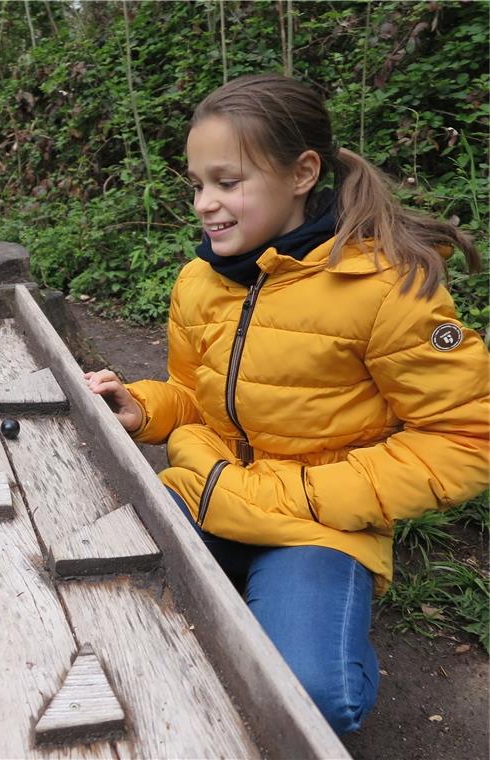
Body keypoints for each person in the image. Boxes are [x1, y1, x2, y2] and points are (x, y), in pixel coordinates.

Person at [85, 74, 488, 735]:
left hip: (317, 523)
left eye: (227, 181)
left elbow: (469, 437)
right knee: (103, 603)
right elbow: (195, 395)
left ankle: (313, 614)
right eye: (196, 185)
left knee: (308, 701)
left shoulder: (387, 289)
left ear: (302, 173)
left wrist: (315, 494)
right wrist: (146, 408)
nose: (204, 205)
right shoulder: (197, 281)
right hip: (207, 490)